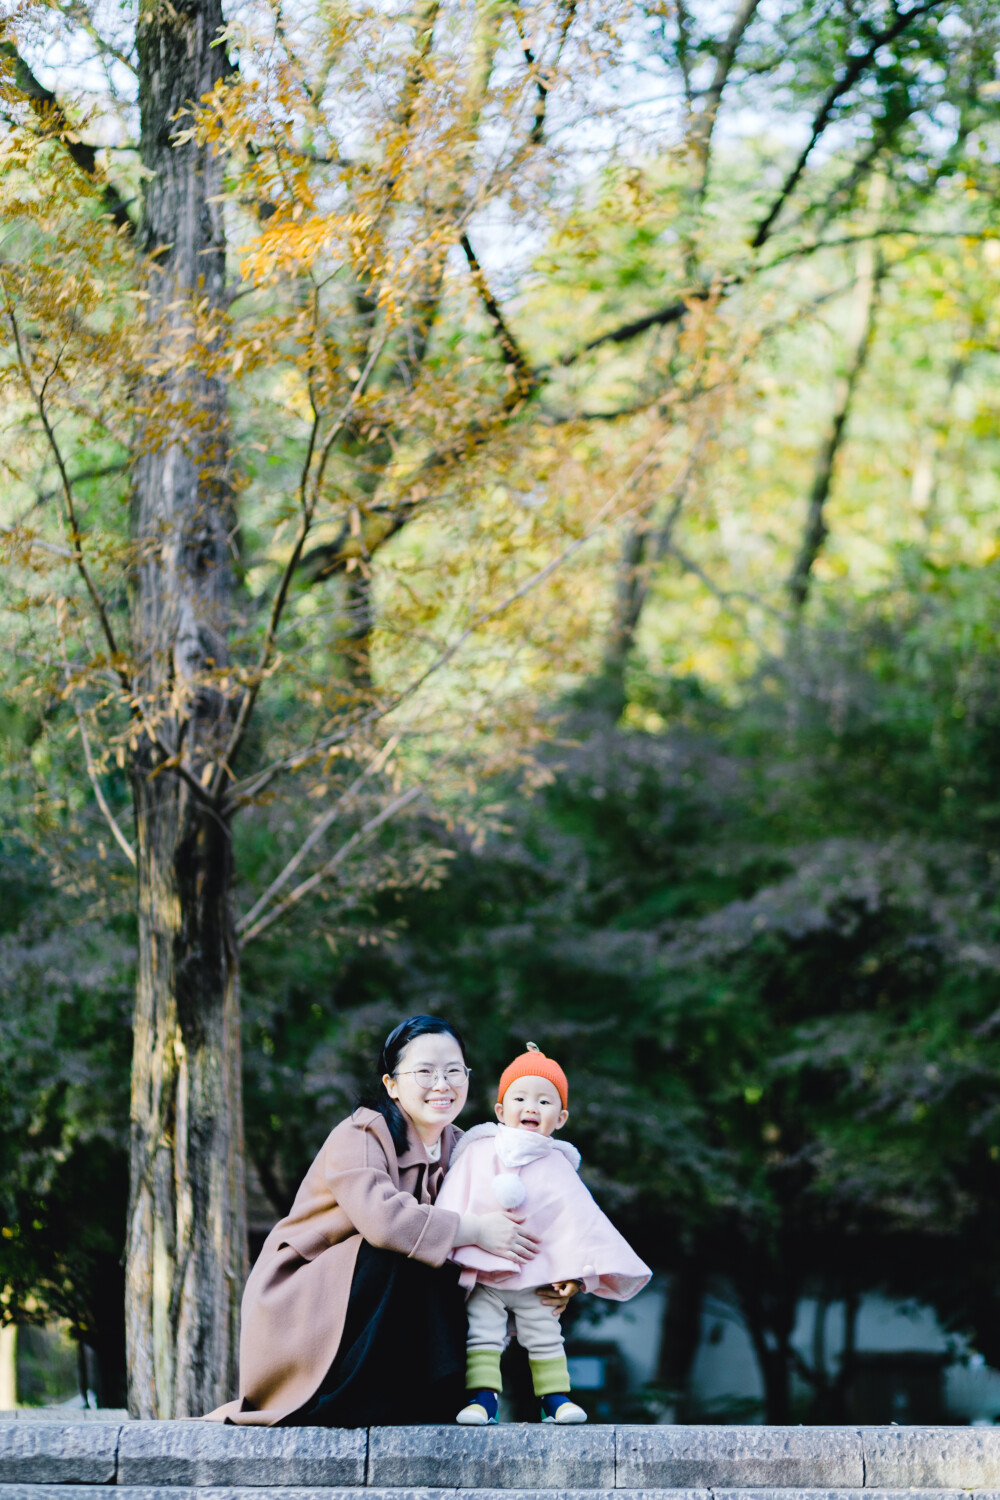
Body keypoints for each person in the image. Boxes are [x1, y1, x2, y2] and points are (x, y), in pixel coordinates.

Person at [206, 1015, 542, 1426]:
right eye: (425, 1071)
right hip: (309, 1302)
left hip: (382, 1305)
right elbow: (383, 1221)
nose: (442, 1084)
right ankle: (344, 1396)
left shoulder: (470, 1148)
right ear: (392, 1085)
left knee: (447, 1260)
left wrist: (550, 1281)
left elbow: (507, 1230)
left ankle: (440, 1395)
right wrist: (473, 1229)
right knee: (402, 1249)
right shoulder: (361, 1134)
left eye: (454, 1070)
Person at [436, 1042, 651, 1426]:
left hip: (538, 1276)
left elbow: (579, 1224)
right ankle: (483, 1399)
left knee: (545, 1332)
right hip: (485, 1271)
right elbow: (455, 1199)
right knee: (482, 1334)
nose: (531, 1107)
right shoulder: (479, 1150)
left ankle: (555, 1400)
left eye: (544, 1101)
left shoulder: (558, 1166)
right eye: (519, 1097)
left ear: (562, 1117)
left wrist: (577, 1276)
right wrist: (453, 1253)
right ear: (501, 1110)